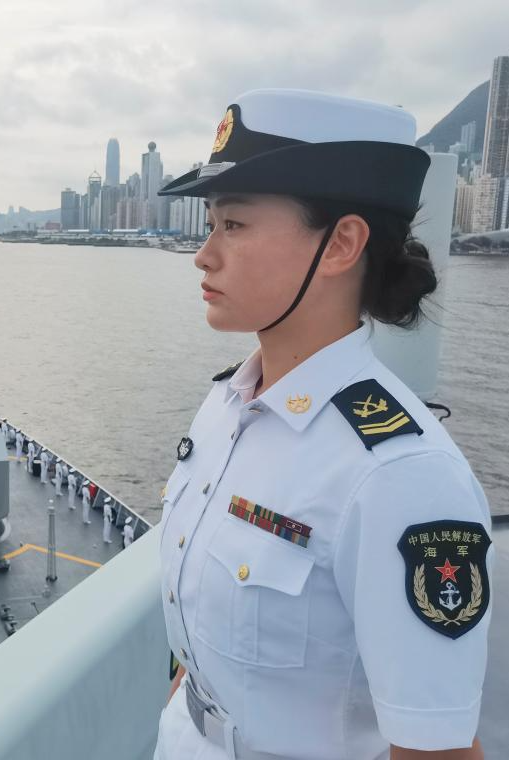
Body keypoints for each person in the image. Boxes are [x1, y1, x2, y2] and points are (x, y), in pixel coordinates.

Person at [154, 89, 491, 760]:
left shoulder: (399, 475)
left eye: (234, 225)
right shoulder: (228, 405)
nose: (204, 255)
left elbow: (436, 750)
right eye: (211, 224)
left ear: (340, 244)